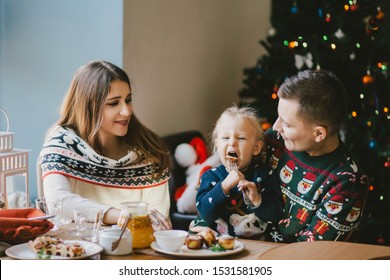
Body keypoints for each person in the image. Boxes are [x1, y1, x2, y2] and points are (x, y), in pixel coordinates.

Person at [38, 60, 172, 229]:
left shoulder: (151, 151)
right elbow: (58, 202)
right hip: (77, 250)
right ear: (88, 106)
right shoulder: (60, 145)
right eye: (113, 103)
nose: (126, 111)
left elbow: (158, 225)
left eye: (128, 100)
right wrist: (122, 216)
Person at [265, 69, 368, 242]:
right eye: (278, 117)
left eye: (288, 124)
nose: (276, 127)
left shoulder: (347, 182)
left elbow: (312, 254)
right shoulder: (276, 141)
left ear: (319, 134)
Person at [190, 105, 283, 239]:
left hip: (257, 243)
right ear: (217, 145)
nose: (232, 143)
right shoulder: (211, 176)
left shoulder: (264, 175)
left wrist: (257, 199)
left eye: (241, 138)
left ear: (256, 148)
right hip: (219, 242)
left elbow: (276, 214)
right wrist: (223, 187)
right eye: (225, 138)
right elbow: (205, 213)